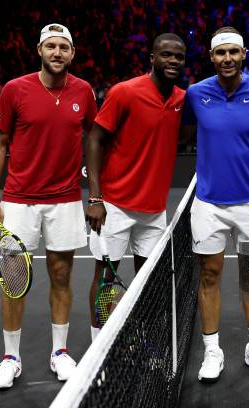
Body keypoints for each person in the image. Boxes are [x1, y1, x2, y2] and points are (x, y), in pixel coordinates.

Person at [0, 23, 96, 389]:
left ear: (72, 53)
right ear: (39, 51)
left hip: (64, 201)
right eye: (51, 46)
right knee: (13, 283)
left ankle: (59, 352)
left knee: (61, 277)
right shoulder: (15, 89)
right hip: (18, 202)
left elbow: (95, 143)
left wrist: (97, 194)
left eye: (64, 46)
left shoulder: (84, 91)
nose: (58, 52)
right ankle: (10, 358)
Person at [181, 27, 249, 383]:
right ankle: (212, 351)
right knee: (209, 276)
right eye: (220, 53)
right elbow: (184, 133)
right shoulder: (196, 94)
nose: (227, 59)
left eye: (233, 53)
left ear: (244, 54)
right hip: (208, 205)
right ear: (211, 57)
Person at [85, 33, 186, 340]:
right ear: (152, 58)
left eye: (179, 57)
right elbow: (94, 138)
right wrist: (95, 197)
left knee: (150, 281)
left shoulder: (182, 98)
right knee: (105, 279)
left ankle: (145, 335)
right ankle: (98, 342)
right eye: (166, 55)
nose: (173, 61)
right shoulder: (124, 92)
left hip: (154, 210)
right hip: (114, 205)